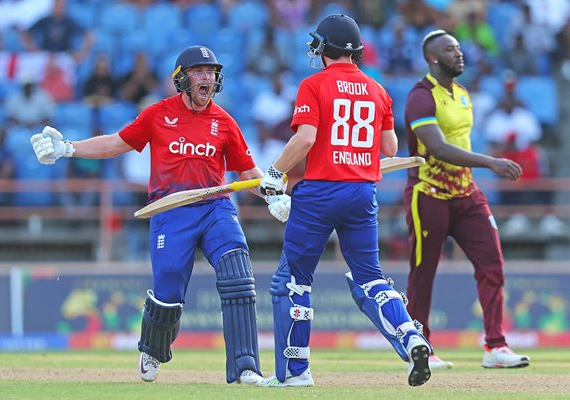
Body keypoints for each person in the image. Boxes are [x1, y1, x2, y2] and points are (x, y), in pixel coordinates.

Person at [30, 45, 292, 384]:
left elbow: (247, 173)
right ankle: (152, 349)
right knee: (168, 292)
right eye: (199, 72)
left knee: (238, 278)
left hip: (215, 208)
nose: (207, 78)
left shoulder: (224, 122)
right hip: (171, 210)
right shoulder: (158, 115)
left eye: (211, 73)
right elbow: (115, 143)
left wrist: (271, 194)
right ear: (181, 78)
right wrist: (69, 148)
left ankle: (245, 367)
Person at [257, 14, 433, 388]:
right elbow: (390, 148)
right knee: (369, 278)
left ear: (325, 48)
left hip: (320, 192)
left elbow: (304, 140)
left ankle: (294, 373)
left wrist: (274, 174)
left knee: (293, 281)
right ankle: (409, 335)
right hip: (362, 193)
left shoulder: (313, 84)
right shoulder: (378, 89)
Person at [403, 30, 530, 370]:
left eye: (458, 48)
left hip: (466, 194)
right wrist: (491, 161)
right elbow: (440, 148)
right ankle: (420, 348)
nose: (458, 54)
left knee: (492, 264)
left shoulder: (461, 93)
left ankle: (495, 346)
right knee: (423, 273)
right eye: (449, 49)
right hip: (428, 194)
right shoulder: (420, 97)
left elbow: (459, 141)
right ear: (433, 58)